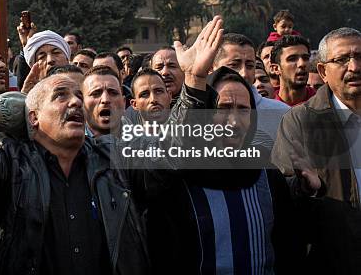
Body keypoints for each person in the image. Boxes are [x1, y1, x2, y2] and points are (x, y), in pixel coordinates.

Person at [0, 15, 224, 274]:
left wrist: (195, 80)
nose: (75, 101)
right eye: (60, 95)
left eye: (78, 95)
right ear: (33, 118)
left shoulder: (117, 158)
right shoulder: (10, 166)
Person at [147, 67, 306, 274]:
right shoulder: (177, 178)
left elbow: (289, 249)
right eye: (223, 108)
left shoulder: (267, 173)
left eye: (243, 109)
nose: (233, 121)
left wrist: (307, 190)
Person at [272, 27, 361, 274]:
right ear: (322, 71)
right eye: (342, 60)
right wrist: (306, 190)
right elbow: (284, 205)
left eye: (360, 57)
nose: (354, 67)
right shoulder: (299, 123)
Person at [212, 33, 289, 148]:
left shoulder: (283, 113)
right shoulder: (195, 109)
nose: (244, 73)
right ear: (212, 67)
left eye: (249, 65)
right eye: (234, 65)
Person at [271, 35, 315, 106]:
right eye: (292, 59)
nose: (302, 64)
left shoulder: (325, 103)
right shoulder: (267, 108)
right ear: (276, 68)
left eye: (305, 58)